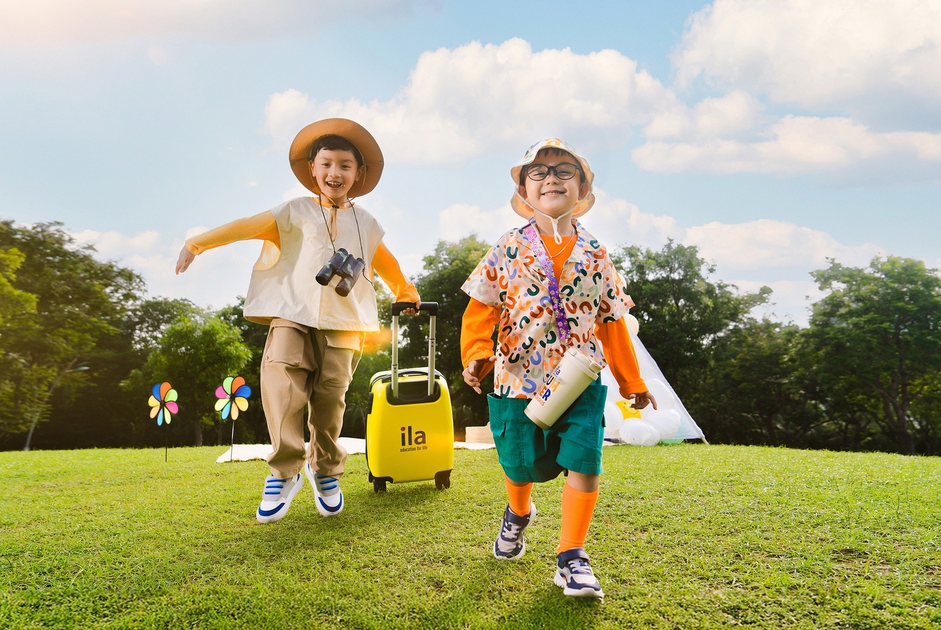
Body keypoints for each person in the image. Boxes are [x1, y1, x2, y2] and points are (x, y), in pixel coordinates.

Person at [175, 118, 420, 524]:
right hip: (293, 312)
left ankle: (324, 470)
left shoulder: (368, 223)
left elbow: (385, 262)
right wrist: (197, 243)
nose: (334, 173)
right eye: (326, 164)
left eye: (344, 165)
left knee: (330, 402)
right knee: (280, 383)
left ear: (358, 173)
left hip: (345, 323)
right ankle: (285, 470)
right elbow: (244, 226)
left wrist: (405, 290)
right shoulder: (292, 211)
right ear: (313, 169)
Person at [460, 138, 655, 599]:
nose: (551, 179)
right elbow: (480, 309)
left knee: (584, 462)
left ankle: (572, 556)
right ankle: (518, 514)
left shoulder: (597, 253)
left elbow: (612, 322)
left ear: (582, 188)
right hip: (515, 376)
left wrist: (632, 381)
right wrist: (475, 354)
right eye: (539, 173)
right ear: (525, 191)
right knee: (519, 466)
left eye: (564, 171)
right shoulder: (506, 247)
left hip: (581, 379)